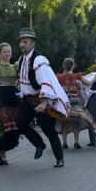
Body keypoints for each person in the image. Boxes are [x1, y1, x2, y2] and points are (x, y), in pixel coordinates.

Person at [17, 28, 69, 168]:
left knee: (49, 131)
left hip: (40, 100)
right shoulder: (22, 58)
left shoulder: (39, 59)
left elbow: (46, 81)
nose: (22, 44)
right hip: (28, 100)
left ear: (32, 43)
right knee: (20, 123)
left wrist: (44, 102)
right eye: (21, 41)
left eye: (25, 41)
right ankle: (40, 144)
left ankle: (59, 159)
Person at [56, 58, 96, 149]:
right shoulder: (78, 76)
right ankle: (76, 142)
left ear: (63, 65)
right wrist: (95, 77)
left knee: (65, 122)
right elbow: (89, 82)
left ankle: (64, 142)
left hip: (65, 102)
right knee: (76, 121)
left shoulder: (58, 77)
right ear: (73, 66)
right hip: (77, 101)